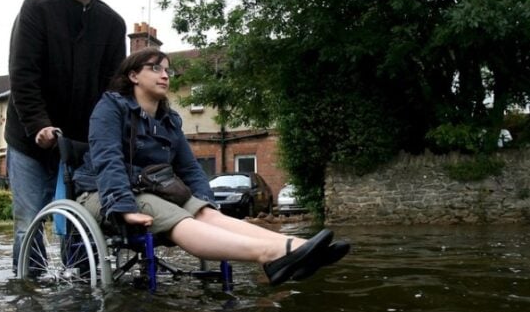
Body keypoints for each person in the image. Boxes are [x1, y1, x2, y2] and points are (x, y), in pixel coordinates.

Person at [73, 48, 350, 285]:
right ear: (133, 76)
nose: (165, 75)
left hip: (152, 191)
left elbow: (191, 169)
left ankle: (298, 249)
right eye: (155, 68)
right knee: (179, 218)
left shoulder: (169, 120)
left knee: (208, 215)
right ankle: (270, 255)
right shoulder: (111, 108)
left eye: (168, 70)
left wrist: (205, 203)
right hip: (104, 194)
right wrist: (124, 207)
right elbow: (107, 159)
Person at [5, 0, 127, 272]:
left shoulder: (113, 24)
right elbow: (23, 74)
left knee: (83, 218)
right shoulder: (36, 8)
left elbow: (114, 90)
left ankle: (80, 287)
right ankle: (29, 288)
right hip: (29, 137)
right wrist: (38, 125)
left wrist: (106, 137)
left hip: (81, 142)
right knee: (29, 222)